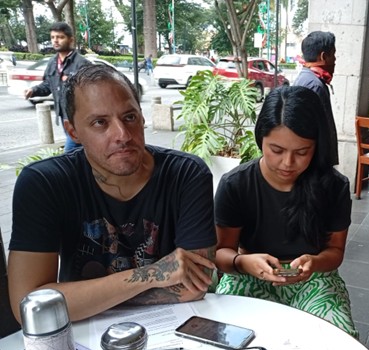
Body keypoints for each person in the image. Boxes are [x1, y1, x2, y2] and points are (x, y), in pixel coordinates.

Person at [8, 64, 217, 322]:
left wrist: (82, 299)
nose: (122, 135)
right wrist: (152, 275)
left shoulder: (186, 174)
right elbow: (28, 305)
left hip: (172, 325)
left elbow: (195, 286)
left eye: (129, 117)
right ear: (73, 131)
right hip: (82, 336)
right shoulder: (45, 183)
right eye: (100, 122)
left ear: (142, 117)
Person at [214, 85, 357, 338]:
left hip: (314, 279)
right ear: (261, 139)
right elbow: (221, 252)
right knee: (225, 335)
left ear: (317, 146)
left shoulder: (333, 186)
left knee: (336, 338)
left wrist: (314, 263)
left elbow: (335, 252)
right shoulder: (236, 184)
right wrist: (243, 262)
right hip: (248, 275)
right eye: (276, 150)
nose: (288, 163)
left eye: (302, 152)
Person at [24, 22, 91, 153]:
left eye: (60, 37)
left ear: (70, 40)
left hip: (78, 119)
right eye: (53, 37)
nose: (55, 40)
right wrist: (33, 90)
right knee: (81, 154)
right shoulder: (52, 63)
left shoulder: (82, 64)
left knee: (69, 154)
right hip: (64, 117)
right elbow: (48, 85)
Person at [293, 31, 338, 165]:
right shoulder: (314, 85)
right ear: (323, 56)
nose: (335, 60)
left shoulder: (306, 78)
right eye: (333, 54)